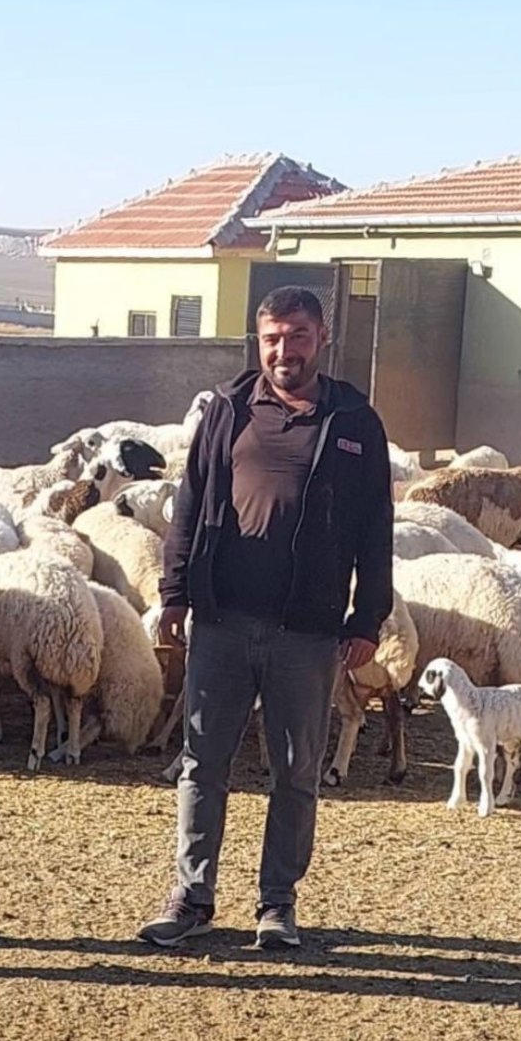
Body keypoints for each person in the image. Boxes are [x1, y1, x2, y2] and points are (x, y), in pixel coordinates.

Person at [138, 286, 393, 950]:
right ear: (260, 341)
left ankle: (277, 904)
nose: (285, 350)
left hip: (306, 630)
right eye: (274, 337)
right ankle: (192, 896)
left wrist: (368, 615)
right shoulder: (227, 408)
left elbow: (376, 529)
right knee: (204, 763)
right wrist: (175, 592)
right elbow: (190, 505)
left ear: (322, 337)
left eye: (298, 335)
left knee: (295, 770)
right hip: (222, 620)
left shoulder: (355, 421)